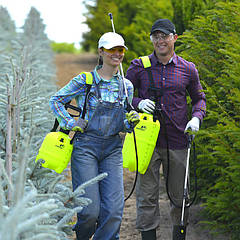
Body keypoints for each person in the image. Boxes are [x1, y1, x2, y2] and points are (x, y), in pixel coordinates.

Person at [49, 32, 140, 240]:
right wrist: (70, 122)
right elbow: (55, 100)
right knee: (89, 211)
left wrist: (131, 122)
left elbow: (124, 125)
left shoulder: (126, 86)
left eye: (120, 50)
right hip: (85, 148)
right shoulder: (85, 81)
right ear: (101, 51)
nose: (116, 54)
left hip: (113, 150)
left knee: (114, 212)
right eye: (111, 50)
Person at [125, 19, 206, 240]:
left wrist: (196, 119)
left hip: (178, 140)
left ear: (174, 38)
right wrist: (137, 102)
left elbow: (199, 99)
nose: (160, 41)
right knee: (146, 197)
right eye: (156, 37)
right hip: (145, 141)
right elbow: (122, 96)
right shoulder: (138, 66)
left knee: (180, 198)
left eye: (165, 36)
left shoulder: (188, 69)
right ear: (151, 39)